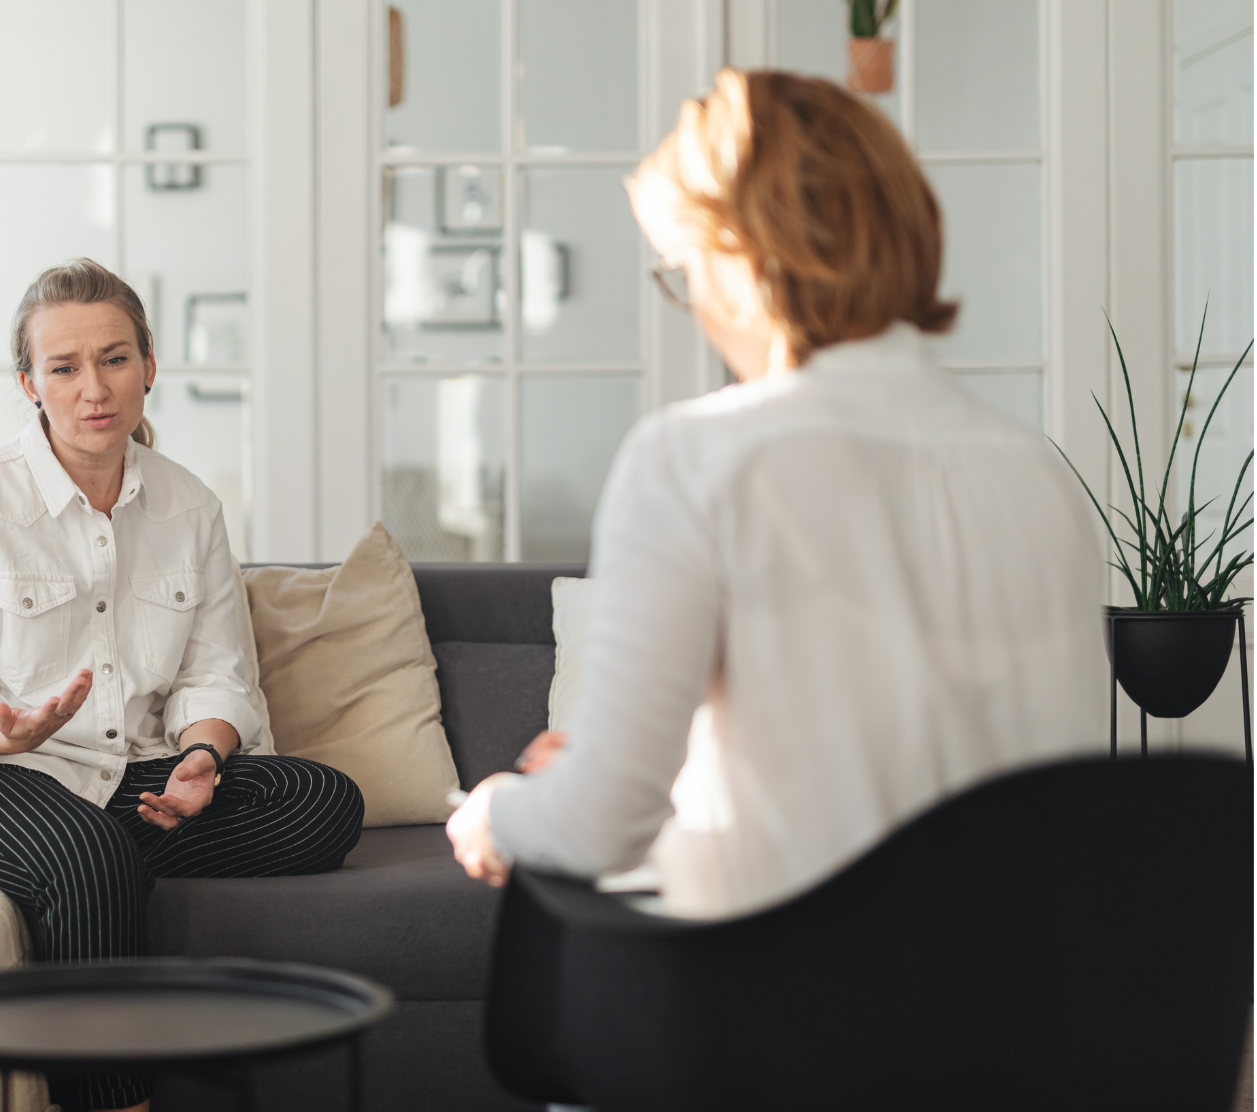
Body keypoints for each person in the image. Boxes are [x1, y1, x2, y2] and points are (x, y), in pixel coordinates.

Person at [447, 69, 1105, 919]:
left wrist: (500, 810)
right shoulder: (1041, 475)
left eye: (684, 270)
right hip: (1035, 1022)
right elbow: (937, 770)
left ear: (741, 261)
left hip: (792, 1017)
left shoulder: (693, 456)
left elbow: (598, 826)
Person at [0, 258, 364, 1112]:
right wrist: (10, 733)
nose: (93, 389)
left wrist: (201, 759)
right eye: (65, 368)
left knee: (322, 801)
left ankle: (76, 884)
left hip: (130, 784)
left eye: (114, 359)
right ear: (30, 383)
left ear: (150, 366)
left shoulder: (191, 507)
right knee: (89, 851)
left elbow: (217, 675)